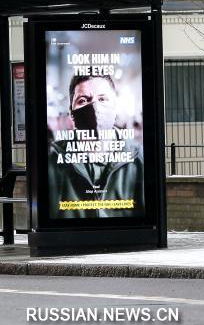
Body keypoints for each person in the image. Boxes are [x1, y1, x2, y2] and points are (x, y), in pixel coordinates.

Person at [47, 74, 144, 219]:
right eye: (83, 100)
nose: (95, 107)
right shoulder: (53, 159)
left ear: (115, 107)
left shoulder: (137, 157)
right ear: (71, 113)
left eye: (102, 99)